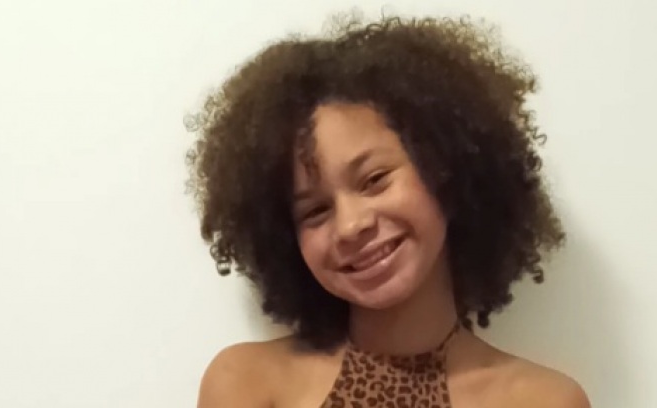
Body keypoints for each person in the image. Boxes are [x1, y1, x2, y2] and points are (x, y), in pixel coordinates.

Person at [186, 12, 590, 408]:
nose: (350, 226)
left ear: (445, 170)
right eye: (315, 211)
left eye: (374, 179)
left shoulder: (545, 401)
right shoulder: (246, 383)